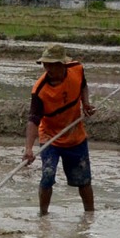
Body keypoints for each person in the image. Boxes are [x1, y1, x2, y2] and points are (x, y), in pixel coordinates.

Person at [22, 43, 95, 215]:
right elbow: (33, 120)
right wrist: (28, 149)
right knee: (47, 176)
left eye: (51, 65)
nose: (47, 69)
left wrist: (85, 103)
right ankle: (43, 216)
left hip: (75, 135)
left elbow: (83, 85)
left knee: (84, 180)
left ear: (61, 65)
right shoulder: (40, 90)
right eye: (45, 64)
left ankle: (90, 215)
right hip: (50, 137)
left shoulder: (77, 69)